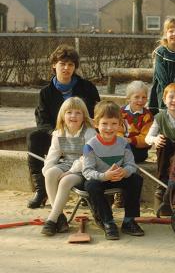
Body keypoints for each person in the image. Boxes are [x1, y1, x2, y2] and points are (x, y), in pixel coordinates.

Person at [27, 44, 100, 209]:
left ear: (75, 67)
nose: (66, 68)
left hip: (84, 133)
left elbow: (98, 112)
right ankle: (41, 190)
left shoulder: (87, 88)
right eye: (62, 64)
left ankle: (86, 185)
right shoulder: (46, 93)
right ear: (54, 65)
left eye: (70, 65)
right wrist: (57, 132)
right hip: (58, 133)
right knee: (34, 138)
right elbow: (42, 119)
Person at [82, 101, 144, 240]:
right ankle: (108, 222)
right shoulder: (90, 146)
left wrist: (124, 172)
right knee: (91, 185)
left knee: (136, 179)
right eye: (104, 124)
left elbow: (131, 165)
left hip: (119, 177)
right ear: (96, 124)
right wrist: (105, 176)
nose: (109, 128)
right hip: (101, 179)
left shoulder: (123, 143)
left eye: (114, 124)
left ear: (120, 124)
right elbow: (87, 171)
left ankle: (129, 220)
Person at [40, 97, 97, 236]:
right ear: (62, 115)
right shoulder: (59, 133)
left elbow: (87, 158)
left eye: (78, 113)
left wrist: (71, 171)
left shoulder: (90, 133)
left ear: (84, 116)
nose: (73, 116)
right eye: (69, 112)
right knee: (50, 173)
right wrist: (48, 172)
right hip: (66, 164)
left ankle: (52, 220)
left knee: (66, 180)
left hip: (83, 168)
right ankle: (59, 217)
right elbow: (52, 156)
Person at [148, 17, 175, 114]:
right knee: (162, 117)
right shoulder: (160, 53)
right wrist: (169, 92)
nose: (174, 34)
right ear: (166, 34)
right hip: (163, 90)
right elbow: (161, 76)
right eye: (171, 31)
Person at [119, 81, 153, 163]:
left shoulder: (147, 116)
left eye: (144, 97)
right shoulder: (121, 112)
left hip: (138, 147)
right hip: (120, 144)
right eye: (136, 97)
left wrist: (130, 140)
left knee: (135, 155)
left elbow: (146, 138)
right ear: (128, 99)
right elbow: (117, 129)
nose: (140, 100)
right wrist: (120, 138)